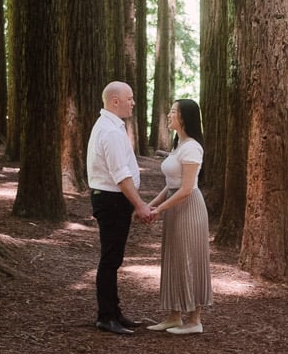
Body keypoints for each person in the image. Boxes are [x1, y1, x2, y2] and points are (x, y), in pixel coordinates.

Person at [86, 80, 152, 335]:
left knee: (113, 258)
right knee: (110, 259)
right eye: (130, 98)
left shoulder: (110, 126)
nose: (133, 102)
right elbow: (120, 175)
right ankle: (106, 316)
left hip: (113, 199)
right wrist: (140, 205)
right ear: (115, 101)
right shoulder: (110, 131)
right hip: (111, 200)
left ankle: (114, 311)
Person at [146, 99, 212, 335]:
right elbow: (170, 185)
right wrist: (150, 205)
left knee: (189, 259)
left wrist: (158, 210)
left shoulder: (192, 147)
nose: (169, 115)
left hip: (189, 208)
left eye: (173, 112)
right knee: (174, 258)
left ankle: (194, 319)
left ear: (185, 118)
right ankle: (174, 316)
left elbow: (185, 189)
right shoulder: (179, 145)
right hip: (175, 207)